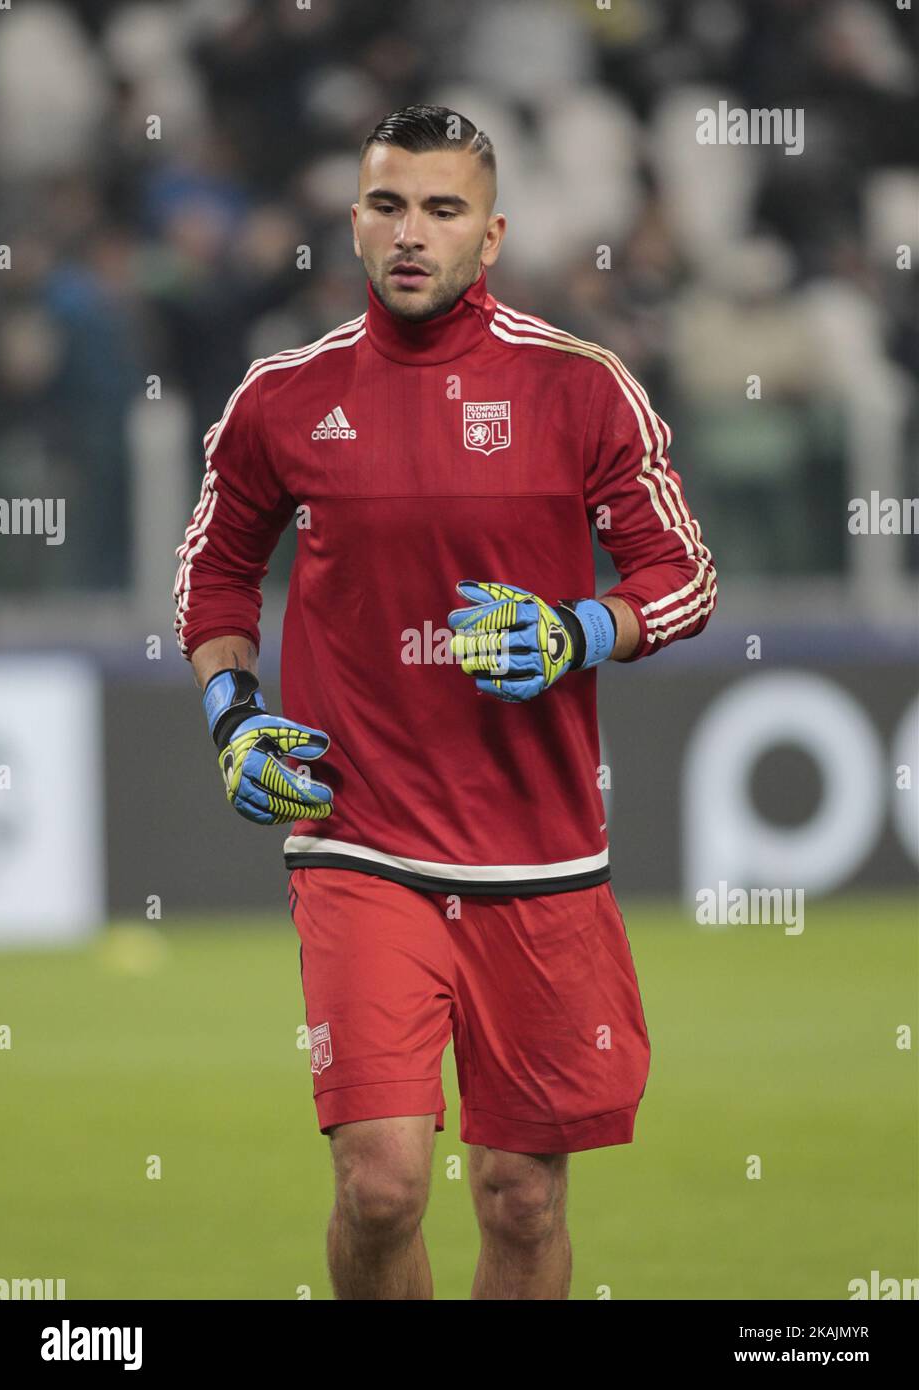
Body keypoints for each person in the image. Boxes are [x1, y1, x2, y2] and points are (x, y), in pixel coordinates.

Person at [173, 104, 717, 1300]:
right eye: (386, 204)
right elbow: (214, 573)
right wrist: (232, 710)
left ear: (491, 235)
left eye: (441, 208)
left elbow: (683, 579)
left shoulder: (581, 387)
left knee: (520, 1199)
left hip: (540, 856)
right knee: (382, 1186)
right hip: (357, 837)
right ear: (354, 221)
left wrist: (582, 627)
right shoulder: (280, 398)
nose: (410, 232)